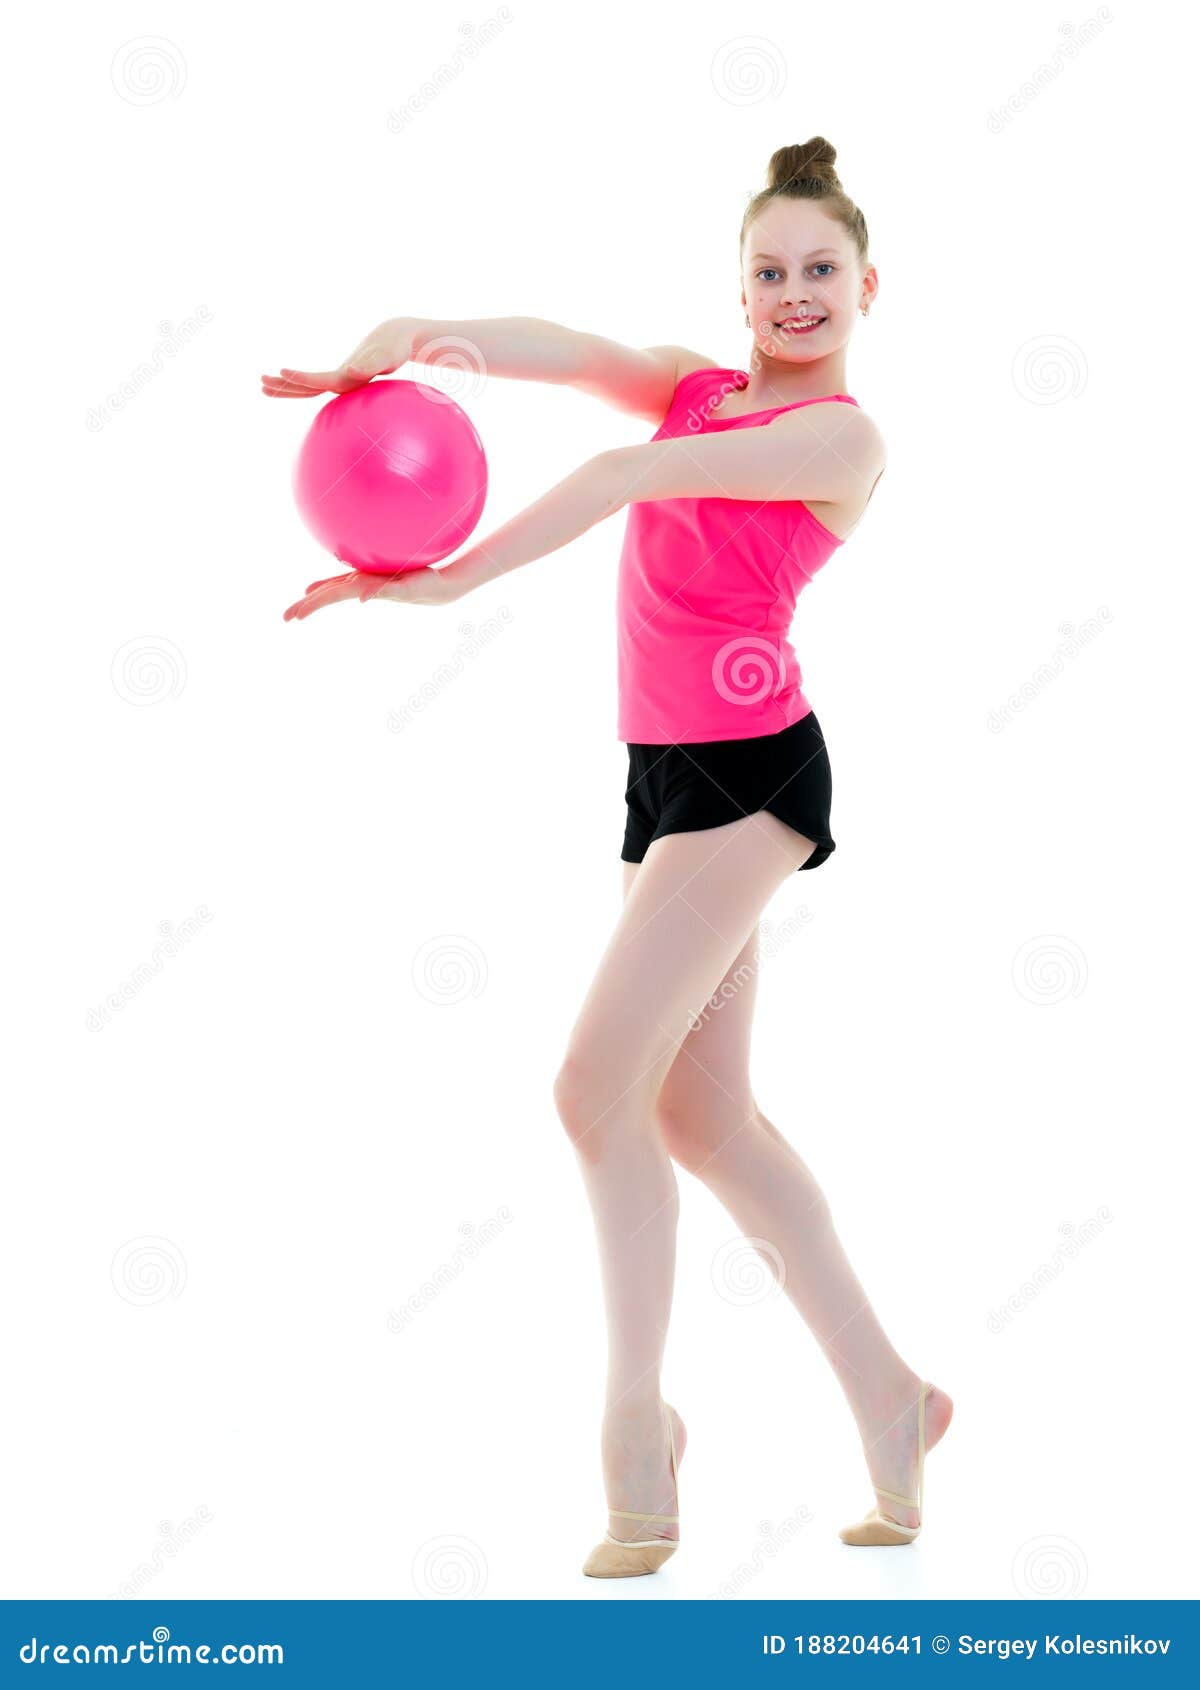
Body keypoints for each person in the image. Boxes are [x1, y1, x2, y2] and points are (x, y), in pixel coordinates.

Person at [262, 136, 953, 1579]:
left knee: (590, 1091)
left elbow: (632, 462)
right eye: (769, 271)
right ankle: (895, 1397)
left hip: (753, 777)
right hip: (663, 779)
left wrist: (450, 579)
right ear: (743, 287)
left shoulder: (843, 439)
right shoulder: (705, 381)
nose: (793, 293)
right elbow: (580, 355)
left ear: (867, 284)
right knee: (705, 1122)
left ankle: (638, 1432)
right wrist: (416, 341)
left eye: (821, 269)